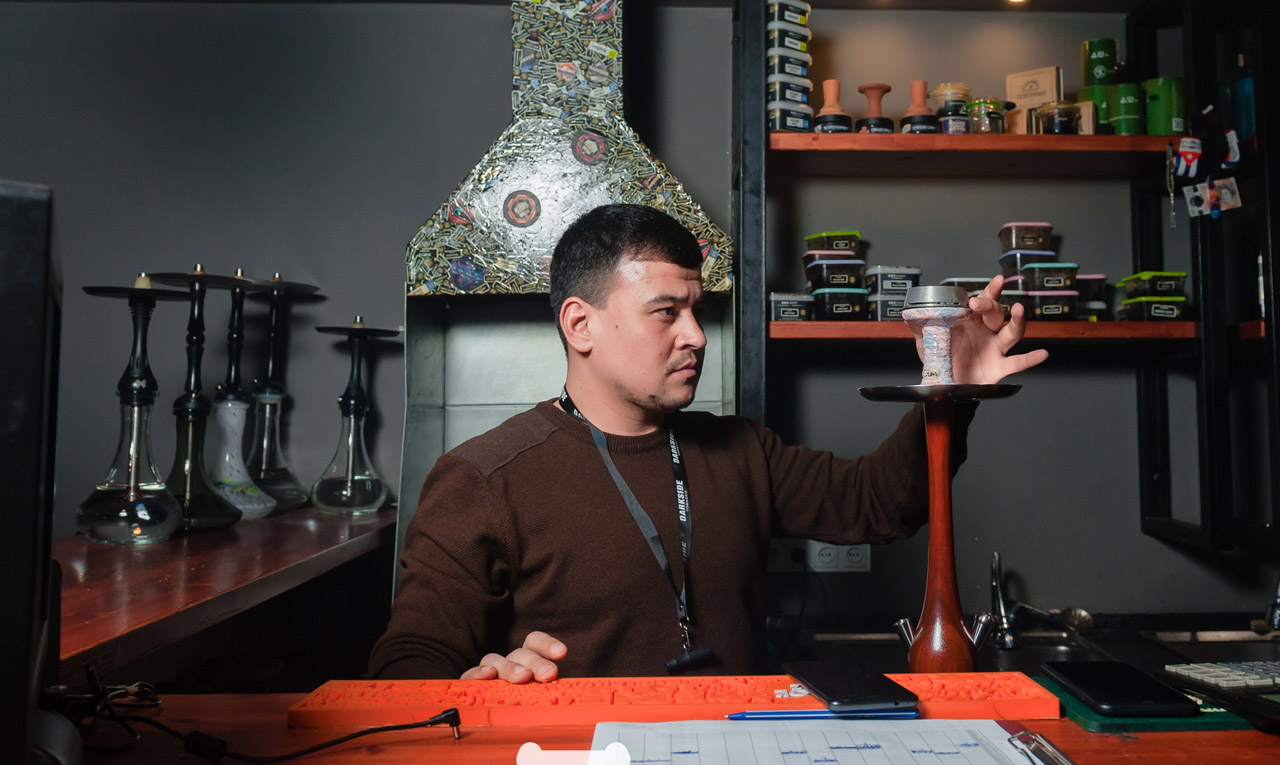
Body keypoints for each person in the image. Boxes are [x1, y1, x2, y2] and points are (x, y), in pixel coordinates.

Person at [368, 204, 1046, 682]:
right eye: (666, 312)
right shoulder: (485, 478)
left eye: (697, 310)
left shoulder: (741, 450)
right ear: (580, 325)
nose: (695, 335)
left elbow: (882, 504)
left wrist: (951, 388)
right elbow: (406, 666)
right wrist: (482, 680)